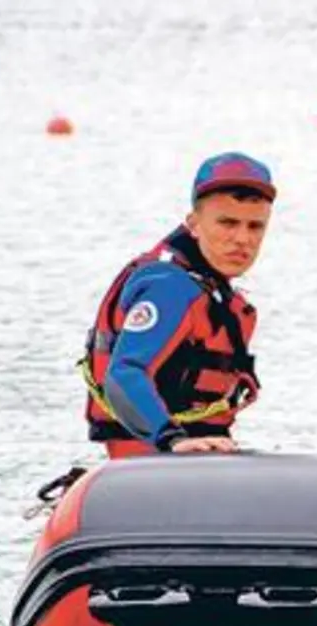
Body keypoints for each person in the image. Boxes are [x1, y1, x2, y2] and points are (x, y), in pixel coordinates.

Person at [79, 152, 276, 458]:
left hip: (194, 460)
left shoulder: (211, 289)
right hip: (157, 462)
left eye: (255, 227)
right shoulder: (169, 288)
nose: (242, 239)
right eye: (227, 223)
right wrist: (172, 439)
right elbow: (124, 374)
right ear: (193, 224)